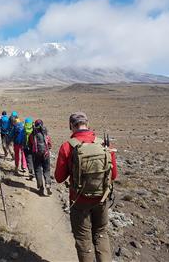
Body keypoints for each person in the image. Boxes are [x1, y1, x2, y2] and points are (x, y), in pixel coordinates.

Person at [55, 112, 118, 262]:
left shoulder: (67, 147)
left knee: (84, 241)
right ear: (87, 124)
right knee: (101, 233)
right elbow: (113, 175)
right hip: (101, 199)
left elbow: (59, 178)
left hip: (79, 201)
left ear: (71, 126)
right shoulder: (103, 145)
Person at [29, 119, 52, 196]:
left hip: (36, 155)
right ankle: (48, 184)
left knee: (38, 170)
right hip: (46, 154)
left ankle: (41, 188)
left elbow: (29, 145)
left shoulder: (32, 135)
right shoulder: (45, 133)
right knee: (46, 170)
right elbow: (49, 144)